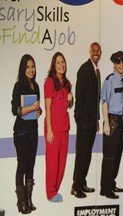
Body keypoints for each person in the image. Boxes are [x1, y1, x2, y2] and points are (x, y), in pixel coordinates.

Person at [11, 54, 42, 214]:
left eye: (33, 66)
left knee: (31, 166)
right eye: (28, 67)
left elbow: (38, 107)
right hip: (22, 132)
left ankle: (29, 200)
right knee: (22, 166)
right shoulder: (19, 87)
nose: (31, 70)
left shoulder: (36, 86)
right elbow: (15, 110)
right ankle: (21, 202)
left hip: (33, 131)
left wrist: (39, 111)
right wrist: (31, 108)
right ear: (23, 69)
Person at [71, 42, 102, 198]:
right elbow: (79, 95)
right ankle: (76, 186)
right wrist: (80, 119)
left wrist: (96, 119)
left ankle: (82, 182)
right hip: (83, 121)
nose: (96, 53)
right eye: (93, 50)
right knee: (82, 153)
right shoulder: (85, 69)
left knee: (87, 153)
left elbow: (96, 98)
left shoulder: (97, 71)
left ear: (100, 53)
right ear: (90, 52)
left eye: (98, 51)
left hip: (91, 121)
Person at [44, 52, 73, 202]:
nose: (61, 65)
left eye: (63, 62)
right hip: (53, 128)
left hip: (64, 127)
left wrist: (71, 98)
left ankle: (56, 190)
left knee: (62, 162)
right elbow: (47, 107)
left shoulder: (67, 84)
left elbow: (68, 105)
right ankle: (50, 192)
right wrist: (49, 130)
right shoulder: (49, 82)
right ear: (54, 65)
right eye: (58, 62)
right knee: (52, 162)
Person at [99, 51, 123, 199]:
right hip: (111, 120)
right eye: (118, 62)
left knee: (117, 155)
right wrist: (105, 123)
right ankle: (105, 188)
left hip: (122, 121)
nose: (121, 65)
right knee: (109, 156)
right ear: (114, 64)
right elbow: (104, 102)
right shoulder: (109, 80)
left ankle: (111, 182)